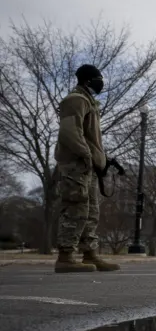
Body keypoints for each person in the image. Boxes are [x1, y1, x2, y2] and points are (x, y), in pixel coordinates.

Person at [53, 64, 119, 273]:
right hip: (76, 166)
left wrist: (102, 159)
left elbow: (89, 137)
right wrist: (88, 156)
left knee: (90, 212)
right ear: (88, 80)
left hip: (86, 167)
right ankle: (65, 256)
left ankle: (90, 254)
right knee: (75, 208)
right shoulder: (76, 100)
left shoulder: (89, 102)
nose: (101, 83)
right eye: (98, 79)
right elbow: (69, 133)